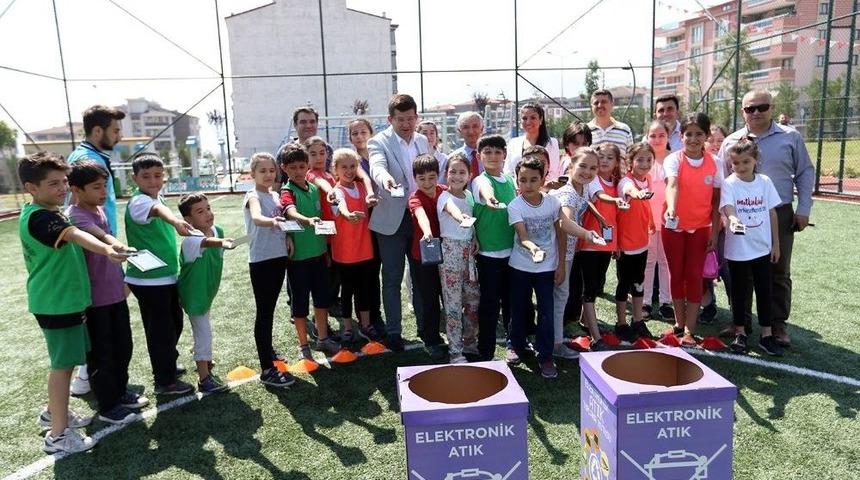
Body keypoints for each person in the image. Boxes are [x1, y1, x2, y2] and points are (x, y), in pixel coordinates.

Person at [18, 152, 127, 453]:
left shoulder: (50, 211)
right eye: (53, 184)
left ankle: (55, 413)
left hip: (66, 301)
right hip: (56, 303)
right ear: (31, 188)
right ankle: (58, 435)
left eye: (64, 181)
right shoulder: (40, 217)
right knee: (62, 366)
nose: (62, 188)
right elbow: (76, 234)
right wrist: (107, 250)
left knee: (66, 364)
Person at [718, 90, 814, 347]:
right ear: (743, 112)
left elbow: (805, 172)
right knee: (740, 272)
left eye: (762, 107)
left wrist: (803, 208)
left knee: (778, 271)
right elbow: (722, 182)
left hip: (778, 211)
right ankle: (742, 323)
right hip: (740, 215)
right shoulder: (730, 142)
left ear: (772, 108)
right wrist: (727, 218)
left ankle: (777, 326)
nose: (757, 112)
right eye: (750, 109)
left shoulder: (790, 136)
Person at [66, 161, 144, 426]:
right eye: (96, 187)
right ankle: (108, 405)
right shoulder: (74, 215)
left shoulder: (99, 210)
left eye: (105, 186)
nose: (103, 193)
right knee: (102, 353)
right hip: (95, 301)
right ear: (76, 189)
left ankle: (120, 393)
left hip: (114, 295)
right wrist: (118, 245)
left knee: (123, 347)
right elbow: (100, 236)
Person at [505, 155, 594, 379]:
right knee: (518, 309)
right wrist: (533, 248)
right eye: (523, 180)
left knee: (546, 313)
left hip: (547, 268)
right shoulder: (515, 206)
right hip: (520, 267)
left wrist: (560, 264)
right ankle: (516, 345)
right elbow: (522, 236)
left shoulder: (553, 203)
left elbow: (561, 234)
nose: (528, 184)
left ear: (544, 179)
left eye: (533, 179)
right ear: (517, 180)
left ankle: (545, 357)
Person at [66, 104, 126, 396]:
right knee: (100, 332)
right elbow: (76, 213)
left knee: (116, 333)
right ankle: (87, 378)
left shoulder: (95, 156)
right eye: (115, 130)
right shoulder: (85, 160)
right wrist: (107, 242)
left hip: (107, 248)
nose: (119, 136)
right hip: (97, 253)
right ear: (98, 130)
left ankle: (104, 382)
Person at [125, 153, 195, 395]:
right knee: (161, 330)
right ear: (135, 178)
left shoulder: (156, 196)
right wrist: (175, 221)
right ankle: (164, 381)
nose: (153, 181)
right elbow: (156, 210)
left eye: (157, 175)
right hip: (148, 280)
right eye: (146, 176)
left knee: (173, 323)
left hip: (163, 276)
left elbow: (158, 205)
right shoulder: (140, 202)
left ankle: (168, 365)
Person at [368, 94, 430, 352]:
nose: (406, 124)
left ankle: (425, 329)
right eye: (400, 119)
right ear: (390, 119)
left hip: (421, 218)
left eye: (410, 118)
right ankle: (394, 332)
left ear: (417, 118)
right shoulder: (378, 141)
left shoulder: (424, 140)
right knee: (391, 278)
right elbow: (377, 166)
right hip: (391, 219)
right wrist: (385, 181)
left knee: (421, 277)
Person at [663, 113, 723, 346]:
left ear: (707, 136)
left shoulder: (715, 163)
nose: (694, 139)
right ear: (681, 136)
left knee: (694, 277)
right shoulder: (674, 160)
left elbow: (717, 201)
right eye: (689, 134)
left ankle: (690, 328)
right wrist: (672, 209)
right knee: (676, 274)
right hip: (673, 228)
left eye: (699, 134)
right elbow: (673, 184)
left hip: (701, 228)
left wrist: (715, 232)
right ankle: (679, 324)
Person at [720, 138, 783, 356]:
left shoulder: (765, 182)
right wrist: (734, 219)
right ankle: (741, 333)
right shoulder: (729, 183)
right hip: (738, 249)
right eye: (735, 163)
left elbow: (772, 212)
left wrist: (775, 244)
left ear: (755, 160)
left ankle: (766, 335)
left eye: (745, 162)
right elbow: (728, 207)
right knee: (739, 293)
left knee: (764, 291)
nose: (740, 167)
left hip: (762, 249)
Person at [280, 144, 342, 359]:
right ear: (284, 168)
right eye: (293, 167)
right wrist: (307, 220)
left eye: (301, 166)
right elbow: (290, 211)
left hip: (319, 256)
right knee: (299, 305)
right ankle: (304, 346)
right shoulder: (287, 191)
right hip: (298, 260)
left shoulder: (314, 189)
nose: (298, 171)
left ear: (307, 167)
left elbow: (326, 214)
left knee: (321, 300)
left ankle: (323, 339)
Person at [245, 152, 295, 388]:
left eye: (271, 170)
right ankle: (267, 369)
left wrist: (288, 238)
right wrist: (273, 221)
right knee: (264, 314)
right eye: (262, 171)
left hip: (278, 259)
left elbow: (283, 224)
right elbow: (256, 217)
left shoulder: (275, 195)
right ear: (252, 174)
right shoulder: (253, 196)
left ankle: (269, 353)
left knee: (271, 311)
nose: (268, 175)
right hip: (262, 262)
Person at [177, 193, 234, 393]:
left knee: (204, 330)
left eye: (208, 208)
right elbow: (206, 243)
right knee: (204, 334)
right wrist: (222, 242)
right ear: (188, 221)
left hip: (206, 291)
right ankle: (204, 378)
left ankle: (204, 360)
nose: (208, 214)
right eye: (200, 212)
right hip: (193, 295)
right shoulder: (191, 239)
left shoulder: (217, 230)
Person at [549, 147, 602, 360]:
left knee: (559, 296)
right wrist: (587, 234)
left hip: (565, 251)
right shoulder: (569, 193)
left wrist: (598, 217)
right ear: (570, 166)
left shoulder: (581, 188)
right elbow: (564, 222)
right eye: (582, 166)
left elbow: (585, 202)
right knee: (559, 297)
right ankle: (555, 344)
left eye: (593, 168)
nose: (587, 172)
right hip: (558, 252)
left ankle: (554, 340)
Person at [329, 148, 384, 342]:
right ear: (335, 169)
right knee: (347, 291)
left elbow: (367, 204)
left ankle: (366, 325)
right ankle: (347, 327)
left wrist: (373, 203)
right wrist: (347, 214)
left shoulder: (361, 188)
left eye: (353, 166)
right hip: (345, 251)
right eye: (344, 167)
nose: (349, 170)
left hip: (365, 249)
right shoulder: (335, 192)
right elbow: (341, 205)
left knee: (364, 289)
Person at [471, 134, 516, 361]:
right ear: (479, 156)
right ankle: (485, 350)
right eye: (487, 152)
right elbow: (486, 191)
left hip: (513, 253)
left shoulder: (511, 180)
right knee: (489, 303)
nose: (493, 156)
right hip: (488, 254)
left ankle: (513, 344)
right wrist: (491, 200)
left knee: (512, 301)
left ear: (504, 155)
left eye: (498, 152)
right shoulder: (480, 180)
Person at [577, 144, 623, 350]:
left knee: (595, 286)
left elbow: (618, 219)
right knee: (589, 288)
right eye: (601, 157)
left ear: (616, 162)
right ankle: (596, 337)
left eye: (609, 157)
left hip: (606, 244)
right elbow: (599, 197)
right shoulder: (593, 180)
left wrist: (617, 244)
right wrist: (614, 199)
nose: (604, 161)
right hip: (589, 243)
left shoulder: (616, 182)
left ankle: (585, 322)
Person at [436, 153, 480, 364]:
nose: (456, 176)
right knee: (453, 304)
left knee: (473, 300)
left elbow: (473, 223)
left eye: (462, 172)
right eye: (452, 171)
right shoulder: (444, 196)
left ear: (469, 175)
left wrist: (475, 238)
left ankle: (470, 342)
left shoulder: (470, 196)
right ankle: (455, 351)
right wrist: (459, 216)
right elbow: (452, 210)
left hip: (468, 254)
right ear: (446, 175)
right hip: (451, 253)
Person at [615, 143, 657, 343]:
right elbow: (630, 190)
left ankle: (638, 320)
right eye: (640, 159)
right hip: (625, 245)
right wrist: (636, 193)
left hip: (642, 242)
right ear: (630, 163)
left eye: (649, 159)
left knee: (639, 283)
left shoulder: (648, 179)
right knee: (624, 284)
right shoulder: (626, 182)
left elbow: (644, 207)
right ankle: (621, 322)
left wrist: (650, 222)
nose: (645, 163)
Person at [408, 154, 446, 361]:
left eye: (432, 177)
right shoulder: (414, 197)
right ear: (415, 179)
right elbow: (420, 214)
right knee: (429, 299)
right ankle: (431, 339)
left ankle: (452, 334)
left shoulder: (445, 192)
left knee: (447, 296)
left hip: (447, 254)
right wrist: (428, 232)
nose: (427, 183)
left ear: (438, 176)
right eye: (422, 179)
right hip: (422, 257)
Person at [643, 120, 674, 321]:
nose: (657, 139)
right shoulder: (644, 160)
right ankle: (645, 302)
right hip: (646, 221)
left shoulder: (673, 160)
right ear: (647, 137)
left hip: (668, 220)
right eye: (653, 135)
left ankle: (666, 302)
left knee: (665, 262)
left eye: (661, 135)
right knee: (647, 262)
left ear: (668, 137)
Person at [700, 123, 731, 324]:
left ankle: (737, 310)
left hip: (723, 223)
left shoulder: (729, 164)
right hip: (703, 223)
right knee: (704, 267)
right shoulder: (700, 162)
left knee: (727, 267)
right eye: (711, 140)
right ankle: (708, 304)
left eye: (720, 141)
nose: (714, 144)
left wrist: (723, 220)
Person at [503, 104, 562, 182]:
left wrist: (538, 188)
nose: (528, 122)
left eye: (533, 118)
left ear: (540, 120)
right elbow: (508, 171)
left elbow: (553, 172)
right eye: (524, 118)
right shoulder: (513, 143)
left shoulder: (551, 143)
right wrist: (518, 187)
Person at [588, 89, 634, 156]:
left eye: (604, 102)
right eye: (596, 103)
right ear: (591, 106)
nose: (600, 105)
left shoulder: (625, 130)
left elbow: (631, 157)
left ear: (612, 104)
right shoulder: (586, 131)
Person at [290, 106, 333, 170]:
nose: (308, 126)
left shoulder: (327, 149)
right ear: (295, 125)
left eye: (312, 122)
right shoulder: (286, 151)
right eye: (303, 122)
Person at [452, 111, 485, 177]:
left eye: (475, 126)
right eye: (466, 127)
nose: (471, 131)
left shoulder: (494, 156)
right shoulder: (452, 159)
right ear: (459, 131)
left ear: (482, 129)